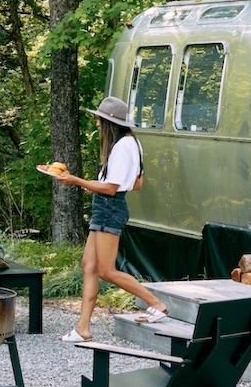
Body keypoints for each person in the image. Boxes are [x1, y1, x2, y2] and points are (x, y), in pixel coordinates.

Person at [54, 96, 168, 343]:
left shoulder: (122, 147)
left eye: (99, 119)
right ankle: (83, 328)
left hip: (109, 208)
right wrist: (96, 186)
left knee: (106, 270)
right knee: (89, 267)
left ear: (108, 122)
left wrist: (77, 181)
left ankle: (156, 303)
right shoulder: (131, 144)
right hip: (106, 206)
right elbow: (136, 183)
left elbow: (112, 187)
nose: (96, 124)